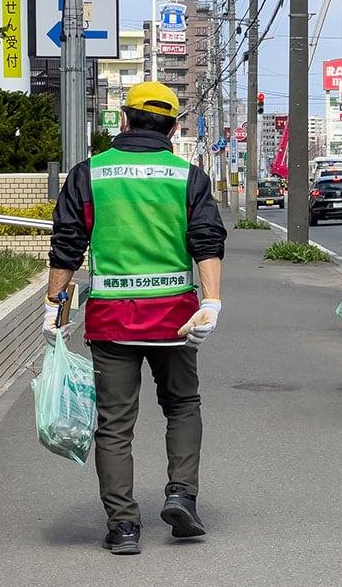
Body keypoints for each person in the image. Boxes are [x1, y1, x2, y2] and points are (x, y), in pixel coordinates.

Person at [46, 81, 228, 555]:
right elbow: (207, 240)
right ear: (171, 126)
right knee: (183, 405)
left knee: (114, 423)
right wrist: (211, 302)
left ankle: (124, 527)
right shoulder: (186, 175)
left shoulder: (91, 174)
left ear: (124, 120)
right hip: (175, 319)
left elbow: (68, 244)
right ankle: (181, 494)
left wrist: (54, 307)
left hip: (112, 321)